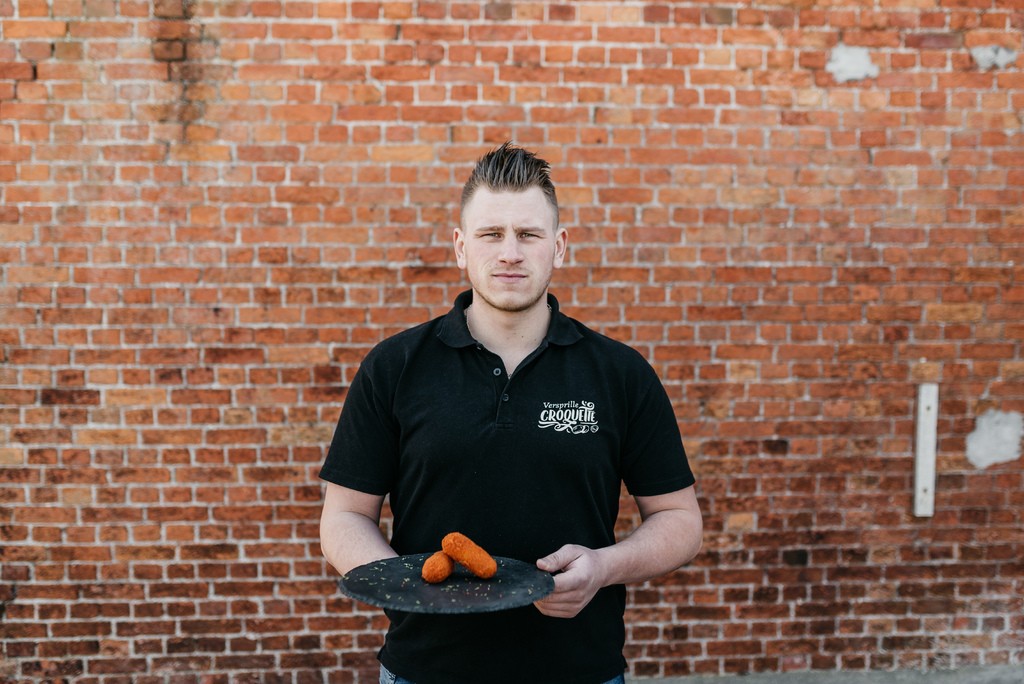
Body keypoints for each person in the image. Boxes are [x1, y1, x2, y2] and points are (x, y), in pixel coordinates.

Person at [319, 142, 702, 684]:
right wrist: (407, 585)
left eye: (528, 234)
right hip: (425, 671)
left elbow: (681, 521)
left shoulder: (620, 373)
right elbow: (344, 517)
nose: (510, 253)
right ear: (460, 247)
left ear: (559, 247)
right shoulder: (395, 367)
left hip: (579, 671)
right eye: (490, 234)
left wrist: (604, 568)